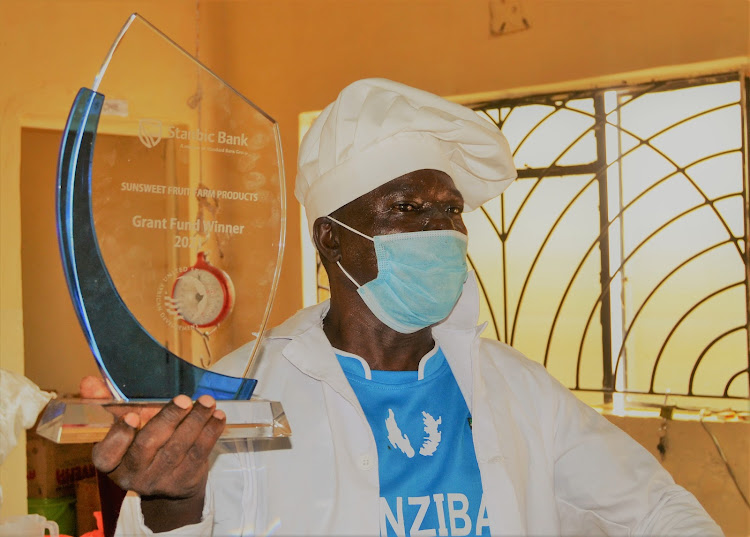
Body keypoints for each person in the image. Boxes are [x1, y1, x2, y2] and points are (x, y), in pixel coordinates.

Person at [86, 78, 723, 536]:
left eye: (451, 212)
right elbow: (167, 523)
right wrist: (175, 501)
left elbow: (657, 510)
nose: (441, 231)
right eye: (408, 210)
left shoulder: (518, 389)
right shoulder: (235, 392)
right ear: (331, 236)